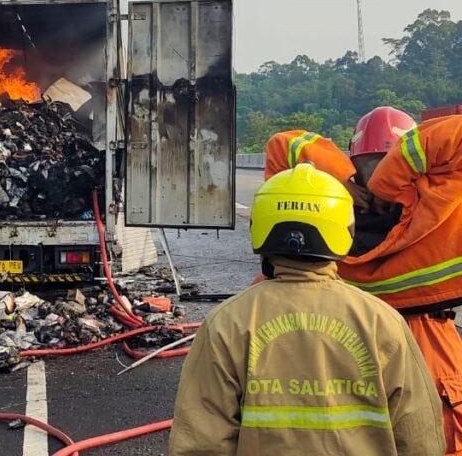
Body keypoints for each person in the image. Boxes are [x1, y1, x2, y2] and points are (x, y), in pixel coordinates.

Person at [169, 164, 444, 456]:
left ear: (260, 227)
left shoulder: (226, 324)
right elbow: (421, 439)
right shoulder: (382, 322)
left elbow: (200, 444)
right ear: (345, 230)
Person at [339, 113, 462, 456]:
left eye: (387, 163)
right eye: (371, 167)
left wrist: (377, 185)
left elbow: (284, 149)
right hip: (393, 338)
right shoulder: (443, 204)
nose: (377, 175)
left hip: (388, 336)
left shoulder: (440, 203)